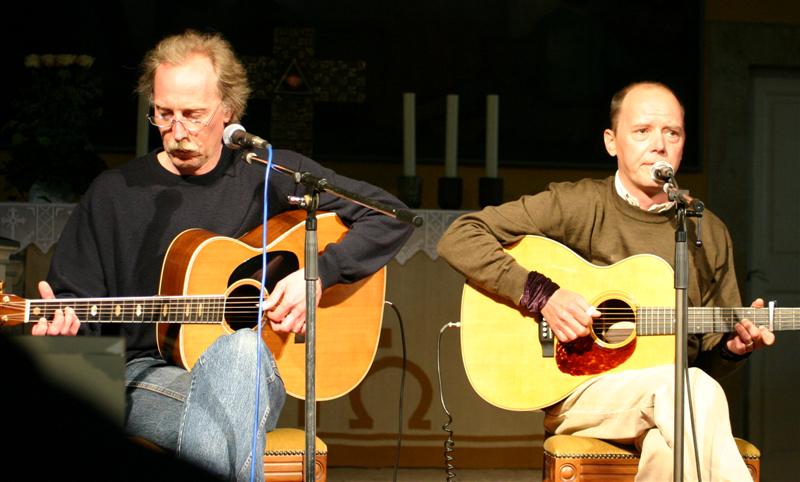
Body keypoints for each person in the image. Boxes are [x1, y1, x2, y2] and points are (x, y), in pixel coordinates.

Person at [31, 29, 413, 481]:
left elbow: (392, 216)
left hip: (251, 371)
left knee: (243, 350)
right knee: (228, 408)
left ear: (229, 111)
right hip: (139, 376)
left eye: (193, 115)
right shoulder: (114, 194)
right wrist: (63, 331)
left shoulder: (269, 173)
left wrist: (318, 275)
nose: (177, 132)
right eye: (164, 114)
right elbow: (76, 309)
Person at [437, 81, 775, 481]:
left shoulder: (708, 232)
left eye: (672, 133)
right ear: (611, 142)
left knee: (672, 440)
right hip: (580, 389)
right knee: (693, 391)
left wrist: (733, 349)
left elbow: (705, 361)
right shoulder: (580, 204)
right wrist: (543, 296)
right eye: (642, 130)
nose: (659, 145)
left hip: (670, 398)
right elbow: (460, 235)